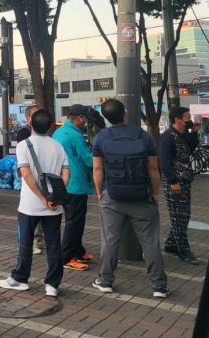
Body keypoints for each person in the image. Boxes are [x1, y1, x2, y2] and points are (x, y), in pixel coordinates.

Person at [92, 99, 167, 298]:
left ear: (106, 117)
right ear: (124, 112)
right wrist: (155, 193)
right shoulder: (143, 136)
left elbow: (98, 169)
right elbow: (153, 169)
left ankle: (105, 281)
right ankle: (159, 286)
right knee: (150, 242)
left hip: (112, 197)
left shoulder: (101, 138)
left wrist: (100, 192)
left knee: (110, 240)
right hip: (142, 196)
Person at [0, 109, 69, 297]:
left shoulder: (23, 145)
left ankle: (20, 278)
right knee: (54, 244)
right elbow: (65, 174)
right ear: (51, 126)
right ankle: (52, 285)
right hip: (54, 206)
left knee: (26, 243)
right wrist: (54, 197)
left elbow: (26, 174)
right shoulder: (58, 146)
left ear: (31, 124)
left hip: (30, 205)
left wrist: (42, 198)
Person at [53, 104, 95, 272]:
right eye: (85, 119)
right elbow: (88, 159)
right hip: (75, 183)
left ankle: (78, 250)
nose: (86, 123)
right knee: (74, 222)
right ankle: (67, 256)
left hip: (65, 182)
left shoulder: (60, 132)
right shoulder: (75, 136)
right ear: (80, 118)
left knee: (74, 219)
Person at [159, 106, 200, 265]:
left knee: (183, 215)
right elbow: (164, 161)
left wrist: (194, 132)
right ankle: (183, 250)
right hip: (175, 182)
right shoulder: (167, 137)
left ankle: (171, 245)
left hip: (185, 180)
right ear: (177, 119)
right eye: (187, 116)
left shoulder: (183, 135)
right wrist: (172, 181)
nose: (190, 119)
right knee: (179, 216)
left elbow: (188, 150)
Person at [16, 105, 44, 255]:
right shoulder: (24, 133)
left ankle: (37, 240)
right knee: (27, 210)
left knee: (38, 210)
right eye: (35, 115)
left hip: (40, 176)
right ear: (28, 119)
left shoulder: (43, 135)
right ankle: (26, 242)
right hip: (29, 176)